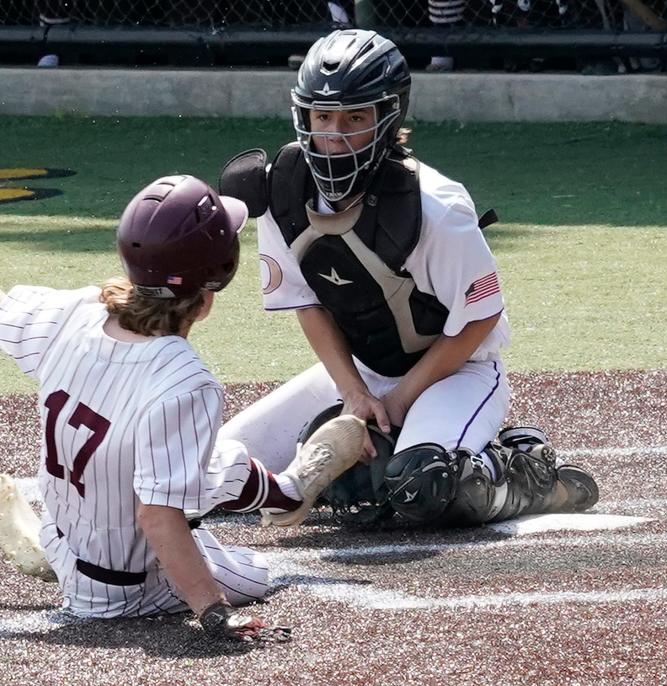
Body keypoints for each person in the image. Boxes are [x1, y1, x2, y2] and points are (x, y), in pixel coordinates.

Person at [0, 175, 366, 641]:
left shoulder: (79, 310)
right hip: (128, 590)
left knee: (199, 461)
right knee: (256, 570)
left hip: (64, 534)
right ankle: (287, 493)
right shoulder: (185, 380)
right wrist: (212, 609)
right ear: (208, 295)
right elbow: (155, 517)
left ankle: (284, 493)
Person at [217, 29, 600, 528]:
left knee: (419, 484)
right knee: (219, 473)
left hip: (459, 372)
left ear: (388, 116)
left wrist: (399, 400)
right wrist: (354, 393)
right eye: (322, 116)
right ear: (302, 115)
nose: (334, 134)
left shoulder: (436, 205)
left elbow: (479, 321)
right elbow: (307, 303)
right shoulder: (278, 191)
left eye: (355, 118)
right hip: (365, 370)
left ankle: (525, 469)